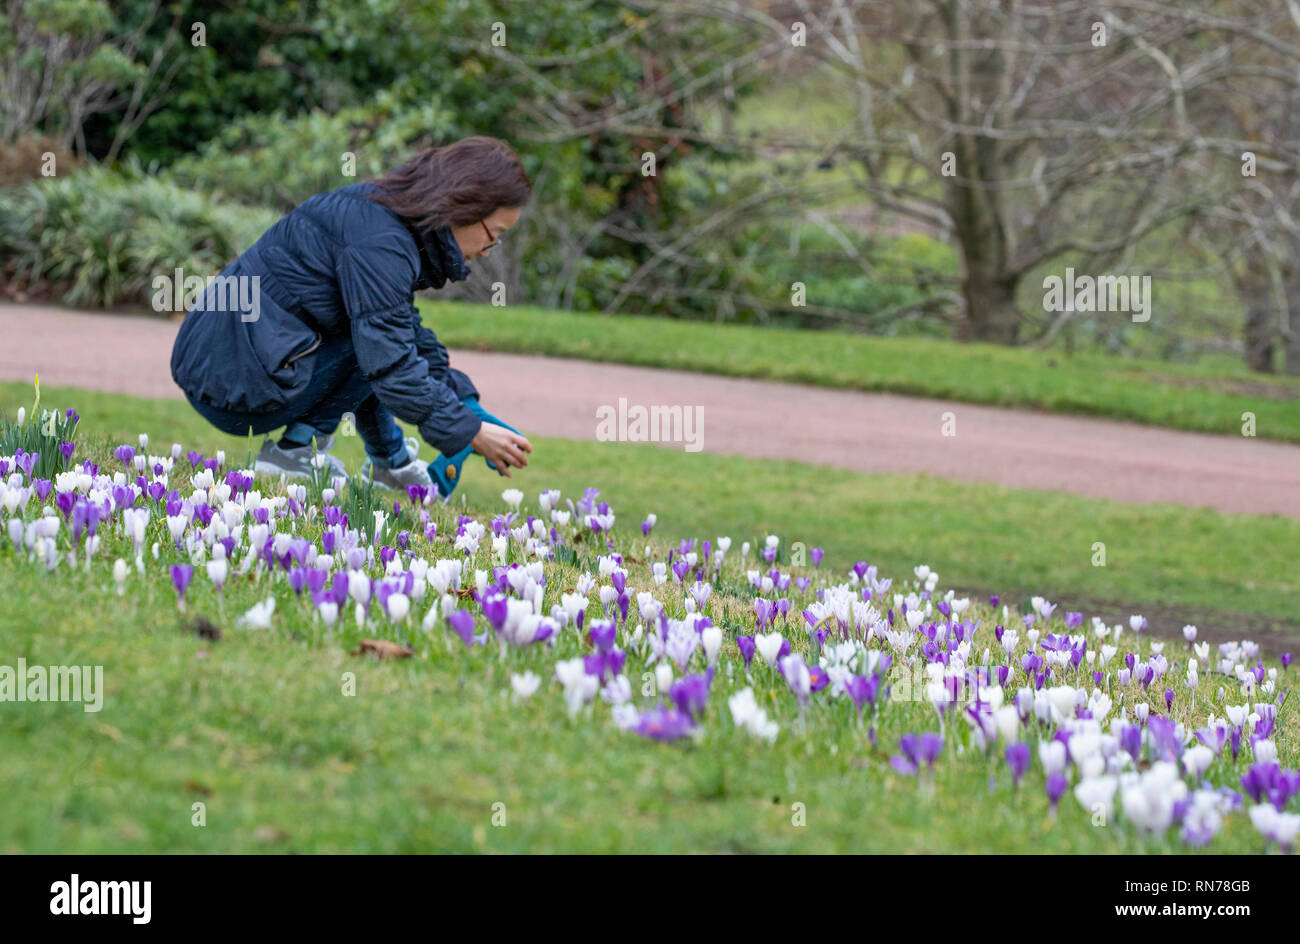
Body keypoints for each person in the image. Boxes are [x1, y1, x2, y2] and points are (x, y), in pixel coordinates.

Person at [170, 135, 534, 490]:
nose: (489, 249)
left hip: (223, 365)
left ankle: (389, 464)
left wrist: (469, 408)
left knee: (376, 340)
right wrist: (469, 432)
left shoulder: (378, 217)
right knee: (375, 348)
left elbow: (402, 331)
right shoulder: (380, 242)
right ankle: (293, 453)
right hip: (233, 382)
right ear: (465, 206)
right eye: (495, 234)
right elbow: (391, 364)